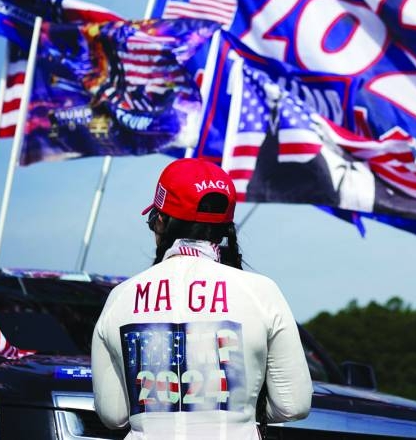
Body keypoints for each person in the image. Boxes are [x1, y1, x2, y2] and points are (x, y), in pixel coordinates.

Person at [92, 158, 312, 439]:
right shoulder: (261, 292)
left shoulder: (121, 297)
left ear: (160, 221)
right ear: (225, 228)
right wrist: (235, 410)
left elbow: (114, 415)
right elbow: (294, 405)